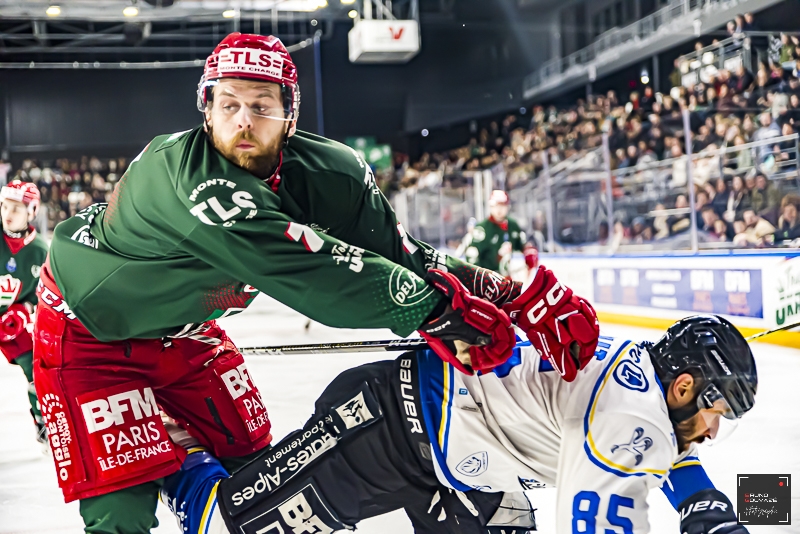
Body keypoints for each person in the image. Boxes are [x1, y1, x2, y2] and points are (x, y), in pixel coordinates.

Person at [33, 33, 599, 533]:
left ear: (289, 117)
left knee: (255, 480)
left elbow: (402, 256)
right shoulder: (181, 175)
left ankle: (184, 463)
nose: (243, 120)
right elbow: (314, 275)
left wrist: (512, 293)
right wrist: (437, 312)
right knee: (122, 513)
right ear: (206, 111)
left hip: (185, 334)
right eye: (227, 104)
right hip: (90, 334)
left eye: (261, 105)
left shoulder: (333, 172)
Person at [161, 314, 755, 534]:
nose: (709, 431)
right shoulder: (635, 418)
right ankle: (175, 434)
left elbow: (657, 450)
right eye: (715, 413)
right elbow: (603, 510)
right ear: (683, 388)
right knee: (220, 526)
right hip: (384, 431)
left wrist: (704, 503)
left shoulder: (642, 385)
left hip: (470, 469)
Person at [0, 180, 48, 443]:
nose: (7, 214)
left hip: (11, 325)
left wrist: (26, 309)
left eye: (16, 209)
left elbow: (46, 297)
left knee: (37, 368)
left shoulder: (41, 250)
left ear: (32, 211)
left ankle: (42, 421)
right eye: (4, 206)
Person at [465, 190, 538, 277]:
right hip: (485, 279)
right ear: (490, 207)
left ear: (507, 206)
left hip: (505, 278)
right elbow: (472, 253)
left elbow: (522, 244)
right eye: (495, 206)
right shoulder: (482, 228)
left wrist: (529, 252)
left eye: (502, 205)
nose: (499, 209)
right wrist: (476, 276)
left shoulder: (512, 225)